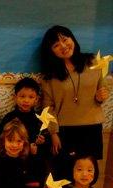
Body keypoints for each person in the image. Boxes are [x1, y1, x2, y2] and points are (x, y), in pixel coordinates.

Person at [40, 25, 109, 171]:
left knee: (88, 174)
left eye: (65, 40)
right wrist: (53, 134)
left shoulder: (93, 62)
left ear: (72, 38)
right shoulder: (50, 76)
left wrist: (101, 96)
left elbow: (103, 89)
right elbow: (47, 108)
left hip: (92, 128)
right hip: (65, 131)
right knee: (64, 172)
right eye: (56, 45)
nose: (63, 46)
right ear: (51, 51)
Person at [1, 77, 47, 156]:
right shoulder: (8, 118)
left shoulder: (40, 120)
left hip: (32, 158)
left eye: (31, 97)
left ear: (36, 99)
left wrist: (41, 142)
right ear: (15, 97)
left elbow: (45, 145)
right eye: (22, 96)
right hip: (12, 157)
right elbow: (2, 141)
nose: (26, 100)